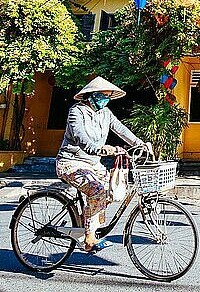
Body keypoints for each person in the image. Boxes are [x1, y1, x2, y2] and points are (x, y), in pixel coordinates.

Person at [56, 76, 144, 253]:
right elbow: (81, 138)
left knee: (113, 191)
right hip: (70, 163)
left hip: (94, 165)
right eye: (102, 95)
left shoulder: (105, 113)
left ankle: (86, 221)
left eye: (108, 96)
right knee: (97, 191)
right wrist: (103, 149)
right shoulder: (77, 112)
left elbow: (120, 129)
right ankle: (89, 237)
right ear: (91, 95)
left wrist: (140, 143)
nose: (105, 99)